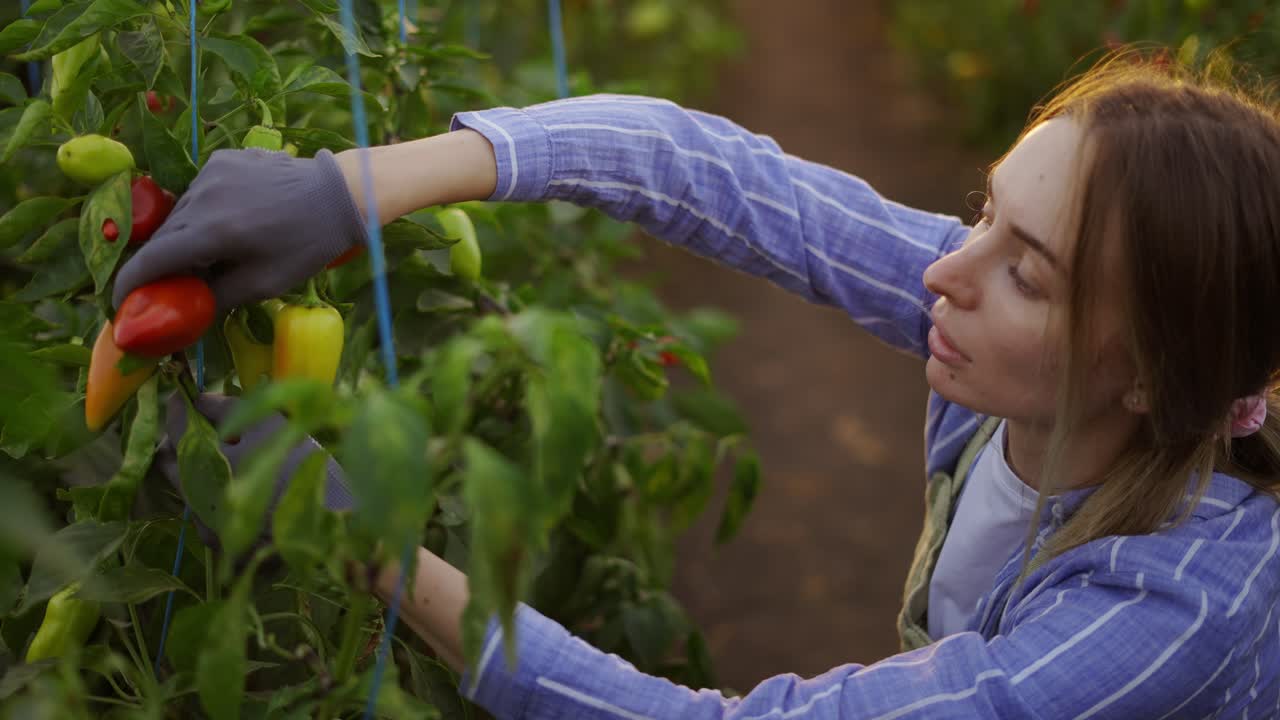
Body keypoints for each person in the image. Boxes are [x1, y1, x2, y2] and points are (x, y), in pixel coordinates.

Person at [129, 50, 1280, 717]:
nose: (943, 269)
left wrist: (367, 545)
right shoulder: (1003, 332)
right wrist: (355, 184)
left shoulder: (1166, 611)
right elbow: (705, 172)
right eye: (984, 211)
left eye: (1024, 271)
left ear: (1143, 373)